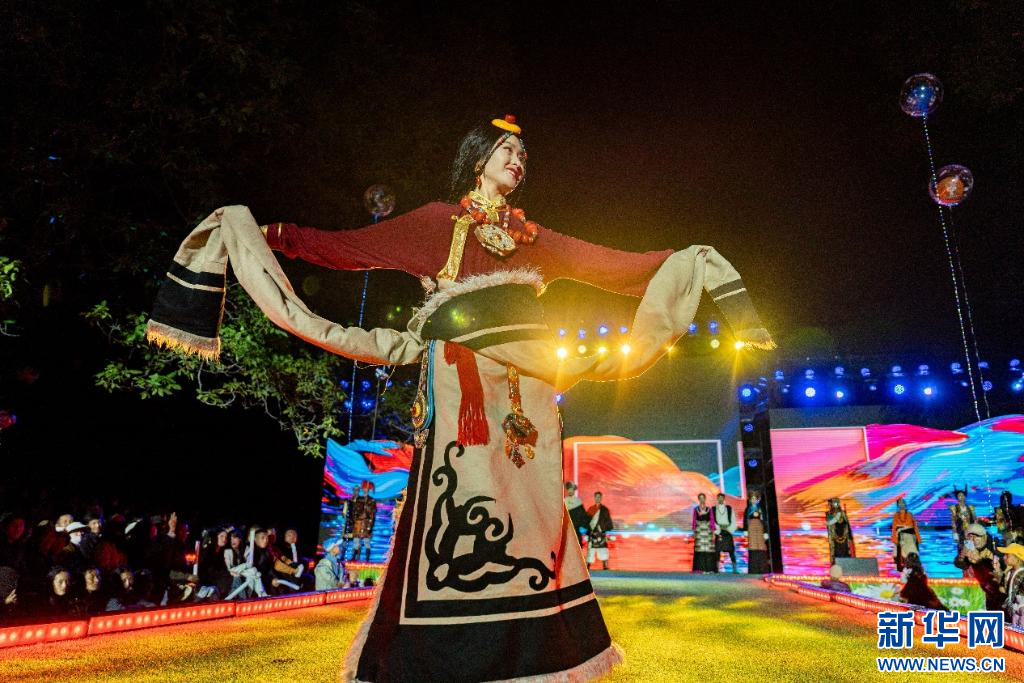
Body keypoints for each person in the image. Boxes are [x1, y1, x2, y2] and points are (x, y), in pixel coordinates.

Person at [148, 114, 773, 682]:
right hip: (460, 382)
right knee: (465, 494)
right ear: (478, 159)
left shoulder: (532, 237)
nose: (518, 161)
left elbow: (612, 265)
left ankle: (538, 647)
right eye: (506, 151)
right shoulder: (435, 223)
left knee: (531, 513)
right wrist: (272, 235)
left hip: (528, 390)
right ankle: (439, 649)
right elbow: (345, 249)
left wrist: (683, 262)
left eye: (523, 155)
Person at [954, 523, 1003, 610]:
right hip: (975, 586)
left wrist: (982, 560)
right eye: (970, 537)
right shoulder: (968, 546)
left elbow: (1001, 568)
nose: (973, 540)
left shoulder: (993, 545)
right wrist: (961, 557)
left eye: (976, 536)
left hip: (991, 587)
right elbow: (961, 565)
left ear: (984, 537)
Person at [347, 482, 377, 563]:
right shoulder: (359, 499)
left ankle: (367, 559)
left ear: (369, 490)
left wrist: (370, 526)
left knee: (366, 541)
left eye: (366, 488)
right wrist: (353, 522)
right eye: (364, 488)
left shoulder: (372, 500)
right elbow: (354, 511)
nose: (365, 490)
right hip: (358, 523)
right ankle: (354, 557)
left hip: (367, 524)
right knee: (356, 540)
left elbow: (372, 515)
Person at [586, 492, 614, 570]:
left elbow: (608, 521)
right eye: (596, 497)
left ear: (601, 498)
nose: (597, 498)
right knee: (590, 551)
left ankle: (605, 566)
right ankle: (587, 566)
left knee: (603, 550)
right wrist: (588, 531)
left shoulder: (605, 510)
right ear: (594, 498)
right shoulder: (590, 509)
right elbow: (586, 521)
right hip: (592, 533)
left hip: (601, 533)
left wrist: (603, 529)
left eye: (599, 497)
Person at [744, 491, 771, 574]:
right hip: (751, 528)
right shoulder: (748, 509)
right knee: (753, 546)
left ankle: (762, 569)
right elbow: (745, 520)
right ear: (750, 500)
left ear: (757, 500)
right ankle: (753, 570)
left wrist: (765, 532)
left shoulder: (761, 509)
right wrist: (745, 530)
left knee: (761, 546)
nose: (753, 500)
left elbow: (765, 520)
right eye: (752, 498)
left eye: (755, 498)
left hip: (759, 528)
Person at [891, 498, 921, 572]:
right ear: (898, 505)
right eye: (900, 503)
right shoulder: (896, 515)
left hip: (909, 537)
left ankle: (913, 569)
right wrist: (895, 539)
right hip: (900, 538)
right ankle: (903, 568)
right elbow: (894, 528)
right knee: (899, 554)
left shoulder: (909, 514)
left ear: (905, 504)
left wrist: (918, 538)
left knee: (911, 554)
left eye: (903, 503)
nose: (901, 504)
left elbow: (914, 527)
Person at [998, 542, 1024, 624]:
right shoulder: (1010, 572)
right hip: (1011, 612)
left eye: (1007, 555)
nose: (1004, 557)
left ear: (1017, 559)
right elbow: (1006, 590)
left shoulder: (1022, 574)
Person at [691, 493, 717, 573]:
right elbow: (694, 520)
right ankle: (700, 569)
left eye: (703, 498)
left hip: (708, 530)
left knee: (709, 550)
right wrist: (694, 531)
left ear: (705, 499)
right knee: (699, 549)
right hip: (699, 531)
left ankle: (709, 568)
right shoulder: (696, 509)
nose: (702, 499)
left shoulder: (709, 509)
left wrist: (713, 532)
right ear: (698, 499)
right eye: (700, 498)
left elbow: (712, 520)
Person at [713, 492, 738, 573]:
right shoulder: (713, 509)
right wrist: (717, 530)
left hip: (728, 531)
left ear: (724, 499)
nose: (720, 499)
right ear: (717, 499)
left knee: (731, 550)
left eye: (722, 498)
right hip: (719, 531)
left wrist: (729, 529)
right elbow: (712, 521)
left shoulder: (729, 508)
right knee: (717, 550)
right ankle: (716, 569)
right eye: (719, 498)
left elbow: (733, 519)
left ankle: (735, 569)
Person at [826, 498, 854, 564]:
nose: (835, 505)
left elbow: (846, 524)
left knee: (844, 550)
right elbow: (829, 524)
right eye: (832, 503)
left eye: (836, 503)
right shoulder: (830, 514)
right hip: (835, 536)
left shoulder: (842, 513)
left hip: (844, 535)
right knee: (837, 551)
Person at [564, 482, 589, 547]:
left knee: (577, 544)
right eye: (569, 489)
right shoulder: (564, 501)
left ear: (574, 490)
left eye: (571, 489)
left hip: (576, 527)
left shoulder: (578, 501)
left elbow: (583, 516)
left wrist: (583, 527)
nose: (570, 491)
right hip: (567, 527)